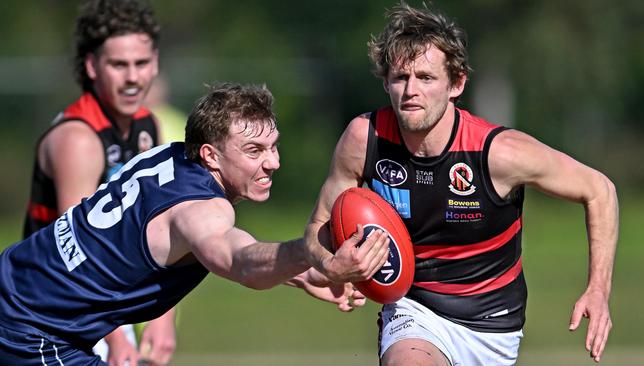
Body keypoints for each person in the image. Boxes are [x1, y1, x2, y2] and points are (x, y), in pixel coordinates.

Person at [304, 3, 618, 365]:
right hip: (414, 311)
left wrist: (598, 289)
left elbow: (599, 190)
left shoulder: (497, 153)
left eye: (425, 78)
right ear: (386, 82)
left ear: (456, 84)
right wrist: (332, 265)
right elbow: (317, 228)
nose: (410, 91)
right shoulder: (365, 139)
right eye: (400, 78)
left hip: (494, 327)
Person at [0, 82, 386, 365]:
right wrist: (311, 252)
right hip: (33, 330)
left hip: (13, 283)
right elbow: (239, 260)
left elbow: (212, 245)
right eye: (254, 151)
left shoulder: (166, 157)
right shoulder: (200, 209)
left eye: (273, 146)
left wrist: (302, 274)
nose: (273, 162)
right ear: (211, 155)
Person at [21, 0, 174, 364]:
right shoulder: (78, 140)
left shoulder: (147, 127)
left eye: (142, 63)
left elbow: (161, 222)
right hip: (43, 317)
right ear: (92, 66)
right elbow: (78, 256)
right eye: (119, 65)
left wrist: (162, 316)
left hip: (97, 312)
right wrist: (116, 339)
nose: (133, 77)